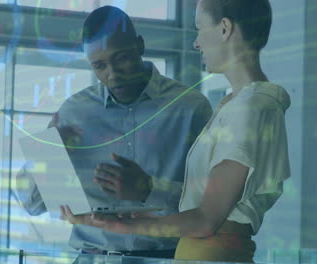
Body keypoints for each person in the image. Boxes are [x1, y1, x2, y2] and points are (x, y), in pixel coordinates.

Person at [61, 0, 291, 262]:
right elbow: (203, 206)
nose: (196, 43)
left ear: (225, 29)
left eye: (199, 28)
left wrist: (123, 225)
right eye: (99, 65)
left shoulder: (252, 106)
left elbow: (206, 218)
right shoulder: (232, 105)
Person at [15, 5, 212, 259]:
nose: (113, 74)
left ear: (139, 45)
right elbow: (32, 205)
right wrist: (47, 152)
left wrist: (149, 189)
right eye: (99, 66)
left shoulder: (191, 109)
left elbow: (215, 204)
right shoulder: (75, 111)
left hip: (164, 256)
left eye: (121, 59)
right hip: (90, 256)